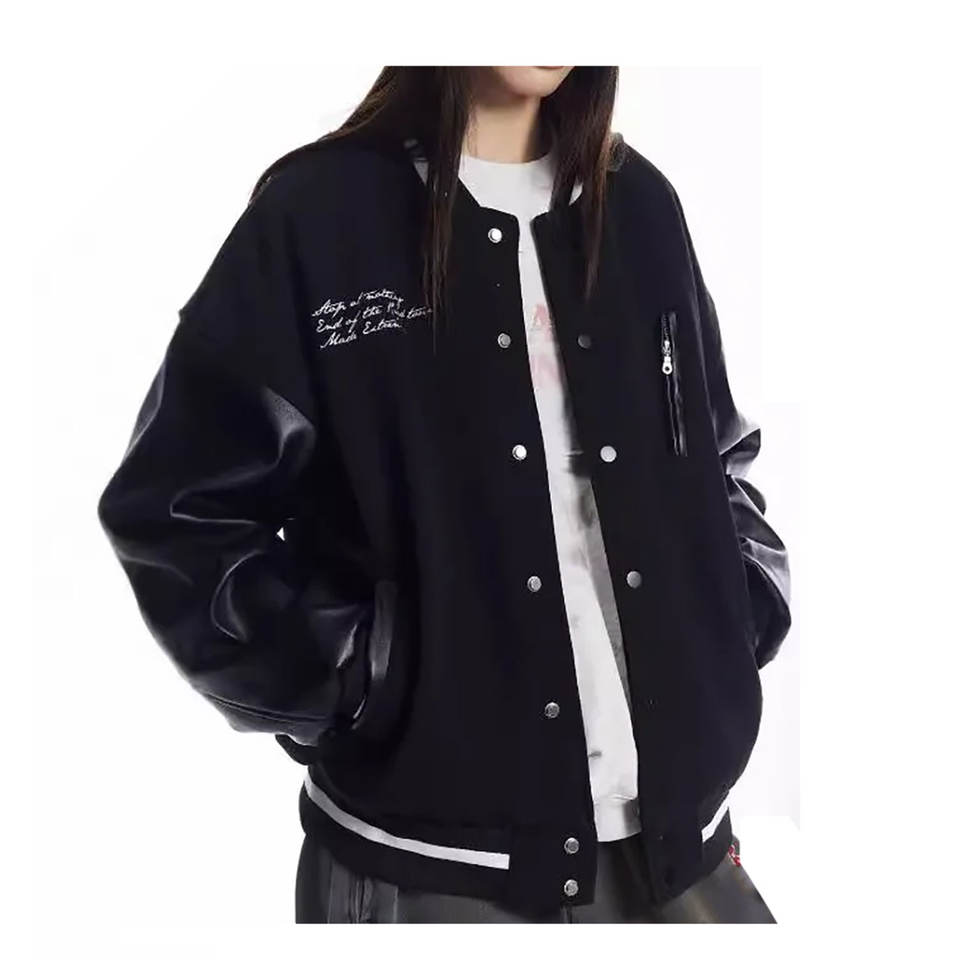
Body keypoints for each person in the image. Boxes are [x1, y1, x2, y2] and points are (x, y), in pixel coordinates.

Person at [97, 66, 790, 923]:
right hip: (435, 869)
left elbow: (716, 453)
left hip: (682, 843)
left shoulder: (640, 203)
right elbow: (176, 511)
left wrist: (738, 611)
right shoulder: (320, 215)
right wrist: (359, 677)